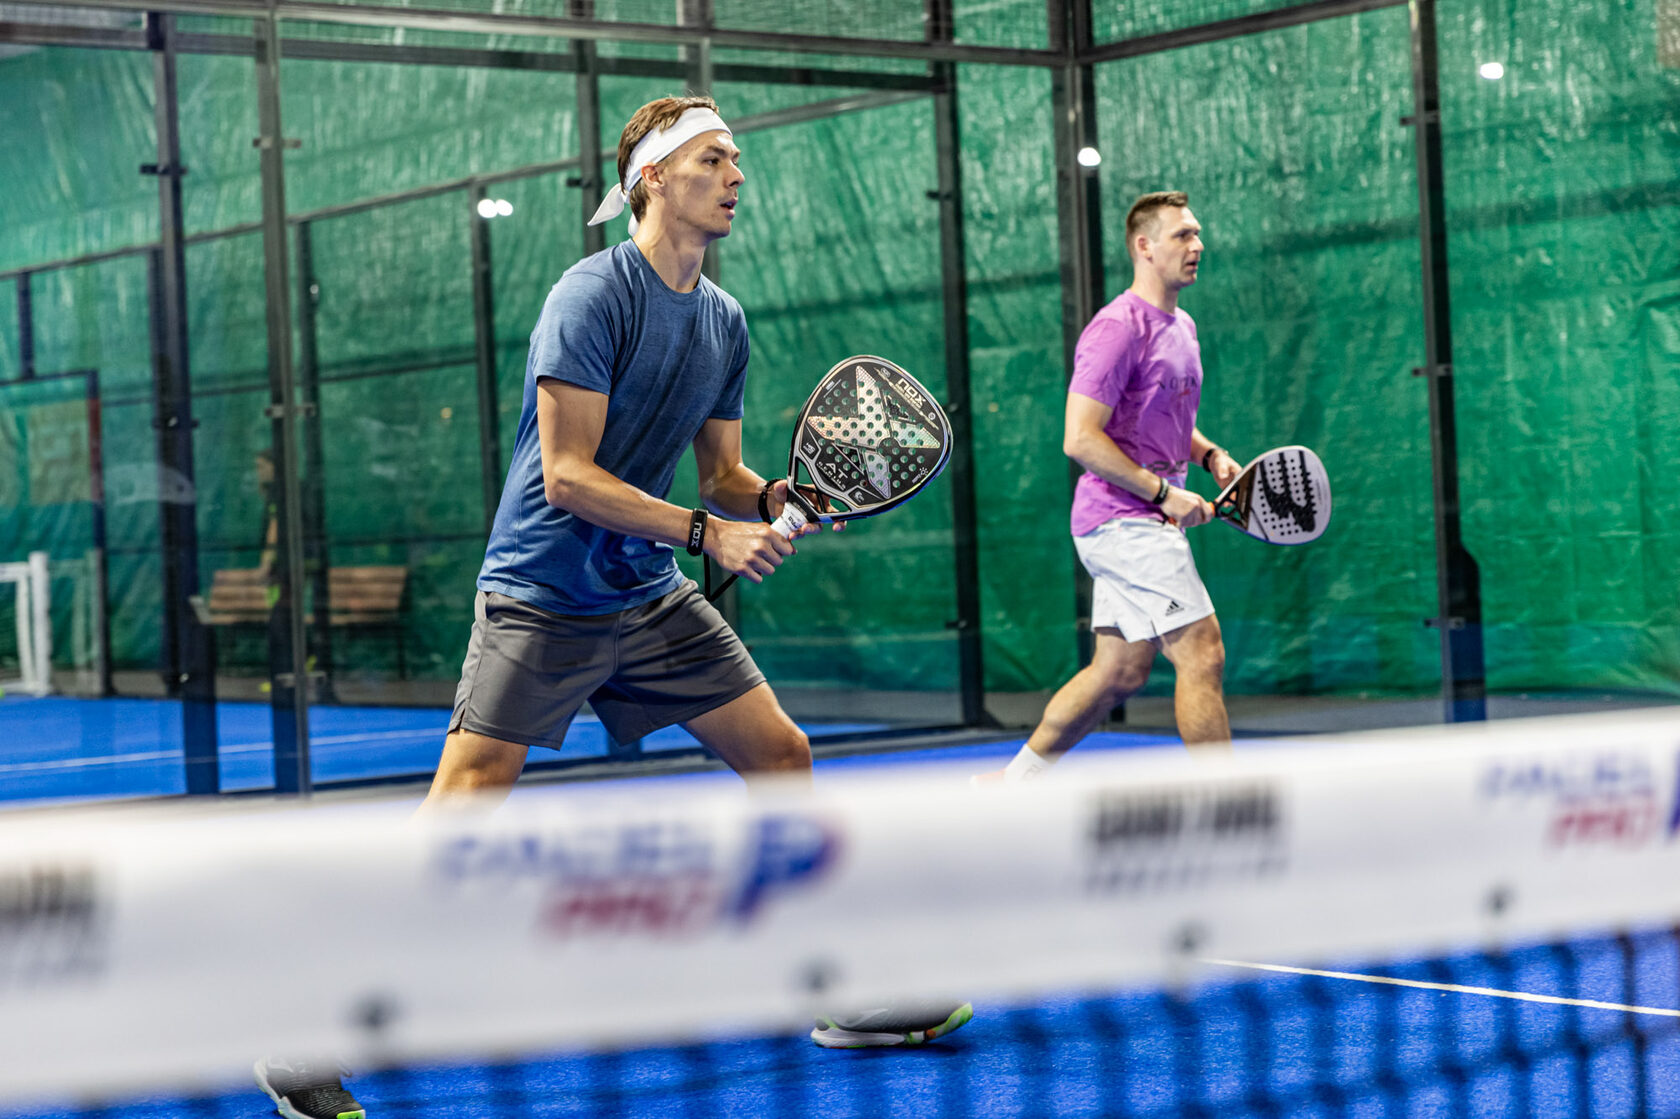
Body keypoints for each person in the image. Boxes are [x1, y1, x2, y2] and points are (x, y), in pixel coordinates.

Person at [255, 95, 966, 1119]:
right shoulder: (591, 296)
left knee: (782, 757)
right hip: (544, 589)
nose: (736, 176)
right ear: (651, 180)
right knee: (463, 811)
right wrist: (703, 532)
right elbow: (566, 477)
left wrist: (768, 499)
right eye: (715, 160)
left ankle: (848, 990)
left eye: (737, 162)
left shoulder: (723, 320)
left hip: (647, 591)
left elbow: (719, 473)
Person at [984, 191, 1241, 784]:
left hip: (1140, 517)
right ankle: (1235, 805)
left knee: (1118, 672)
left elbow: (1160, 411)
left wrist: (1209, 455)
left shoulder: (1181, 326)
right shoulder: (1116, 329)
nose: (1197, 245)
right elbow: (1081, 437)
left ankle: (1011, 783)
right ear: (1143, 247)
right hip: (1122, 519)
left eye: (1197, 233)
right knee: (1201, 649)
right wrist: (1162, 494)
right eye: (1182, 235)